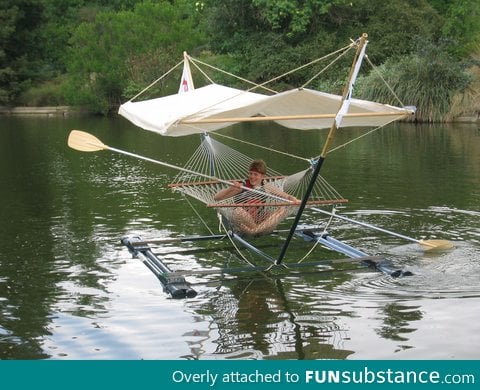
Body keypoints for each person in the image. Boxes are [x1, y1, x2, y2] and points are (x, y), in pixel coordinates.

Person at [214, 159, 298, 235]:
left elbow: (286, 196)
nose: (252, 176)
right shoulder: (243, 185)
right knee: (238, 210)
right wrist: (230, 189)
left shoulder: (266, 186)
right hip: (245, 223)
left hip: (260, 222)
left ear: (263, 176)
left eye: (255, 174)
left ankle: (254, 231)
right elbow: (217, 198)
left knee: (283, 208)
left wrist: (293, 199)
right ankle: (256, 230)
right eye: (250, 173)